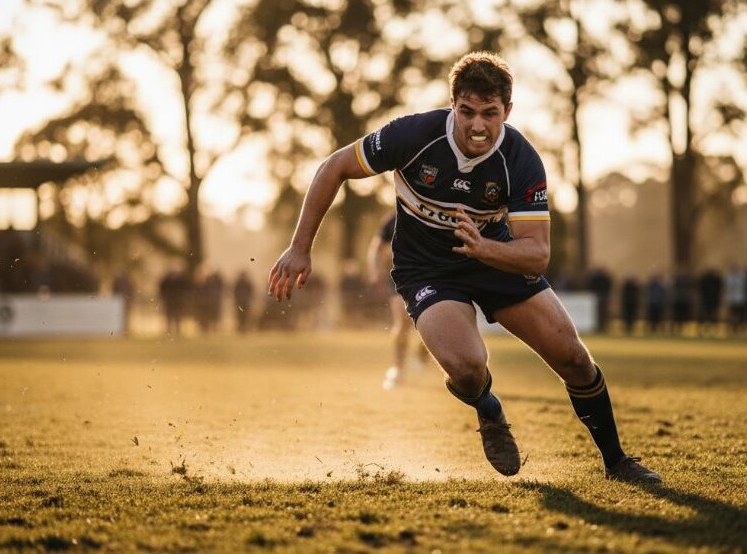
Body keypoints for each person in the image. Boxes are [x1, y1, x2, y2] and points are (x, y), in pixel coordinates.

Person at [268, 52, 660, 483]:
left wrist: (484, 248)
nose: (477, 125)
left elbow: (537, 253)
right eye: (467, 111)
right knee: (469, 369)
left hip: (496, 262)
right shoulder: (414, 134)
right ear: (452, 104)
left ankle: (617, 462)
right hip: (427, 271)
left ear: (507, 112)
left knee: (575, 359)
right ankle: (490, 410)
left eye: (490, 114)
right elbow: (335, 166)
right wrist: (300, 247)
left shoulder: (520, 158)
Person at [367, 213, 431, 390]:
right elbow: (375, 249)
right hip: (400, 276)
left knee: (430, 323)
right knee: (402, 322)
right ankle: (398, 368)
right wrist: (375, 272)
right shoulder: (391, 220)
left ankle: (422, 354)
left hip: (429, 276)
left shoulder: (429, 212)